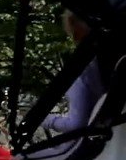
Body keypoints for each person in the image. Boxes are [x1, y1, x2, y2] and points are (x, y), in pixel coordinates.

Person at [43, 10, 105, 138]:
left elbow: (77, 124)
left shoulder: (83, 70)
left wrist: (48, 121)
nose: (74, 38)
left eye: (73, 33)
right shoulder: (112, 63)